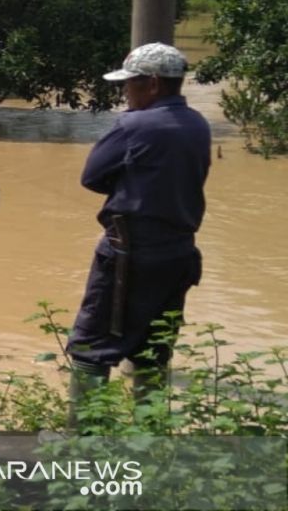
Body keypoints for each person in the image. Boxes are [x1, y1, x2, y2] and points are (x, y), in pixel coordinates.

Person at [65, 43, 211, 427]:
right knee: (154, 347)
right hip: (179, 253)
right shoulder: (198, 124)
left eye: (129, 85)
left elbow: (92, 176)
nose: (125, 93)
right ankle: (150, 436)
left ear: (152, 84)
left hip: (130, 255)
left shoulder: (135, 125)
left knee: (90, 346)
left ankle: (83, 442)